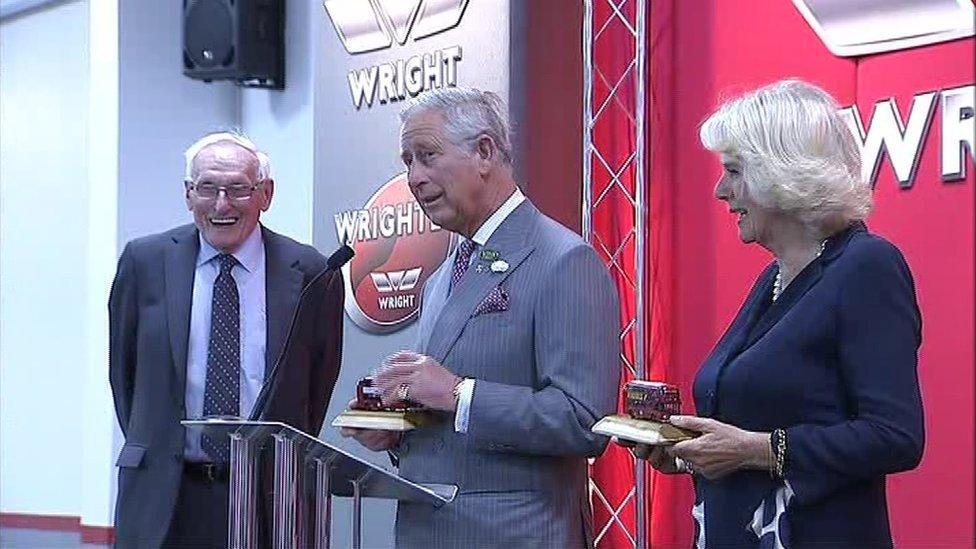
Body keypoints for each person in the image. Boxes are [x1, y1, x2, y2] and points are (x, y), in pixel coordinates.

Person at [619, 80, 924, 548]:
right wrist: (686, 453)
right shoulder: (775, 277)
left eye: (735, 171)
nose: (721, 191)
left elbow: (895, 436)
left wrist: (757, 450)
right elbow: (754, 419)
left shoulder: (868, 266)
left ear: (782, 174)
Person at [341, 87, 620, 548]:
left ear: (484, 152)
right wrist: (397, 433)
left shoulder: (563, 260)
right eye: (408, 161)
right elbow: (446, 416)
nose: (414, 177)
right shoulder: (443, 275)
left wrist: (458, 393)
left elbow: (582, 421)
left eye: (427, 156)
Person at [109, 131, 344, 548]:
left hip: (270, 500)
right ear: (188, 194)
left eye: (238, 189)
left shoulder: (311, 272)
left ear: (265, 194)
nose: (222, 204)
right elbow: (124, 376)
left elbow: (317, 386)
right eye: (207, 189)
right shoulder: (144, 261)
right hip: (166, 497)